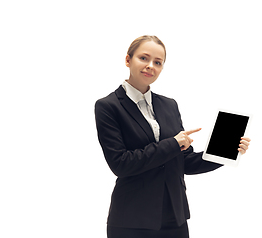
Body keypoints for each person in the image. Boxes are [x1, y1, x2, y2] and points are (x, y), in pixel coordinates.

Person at [94, 35, 251, 238]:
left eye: (158, 62)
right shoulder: (108, 106)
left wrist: (227, 151)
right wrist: (173, 144)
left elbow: (184, 162)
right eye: (144, 58)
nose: (151, 66)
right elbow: (121, 164)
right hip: (132, 220)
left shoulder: (169, 105)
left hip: (174, 219)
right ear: (127, 60)